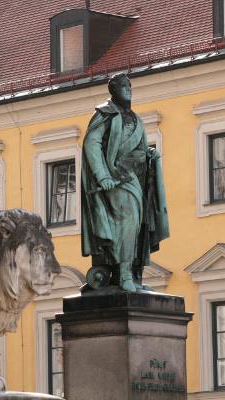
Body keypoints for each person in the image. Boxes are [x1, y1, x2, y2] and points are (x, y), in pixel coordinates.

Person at [80, 73, 169, 293]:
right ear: (113, 90)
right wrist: (103, 176)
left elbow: (138, 147)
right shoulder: (105, 114)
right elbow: (92, 143)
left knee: (138, 226)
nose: (128, 89)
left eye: (129, 85)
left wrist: (149, 155)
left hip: (135, 179)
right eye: (122, 86)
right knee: (126, 222)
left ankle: (130, 276)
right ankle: (126, 276)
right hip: (114, 179)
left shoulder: (136, 118)